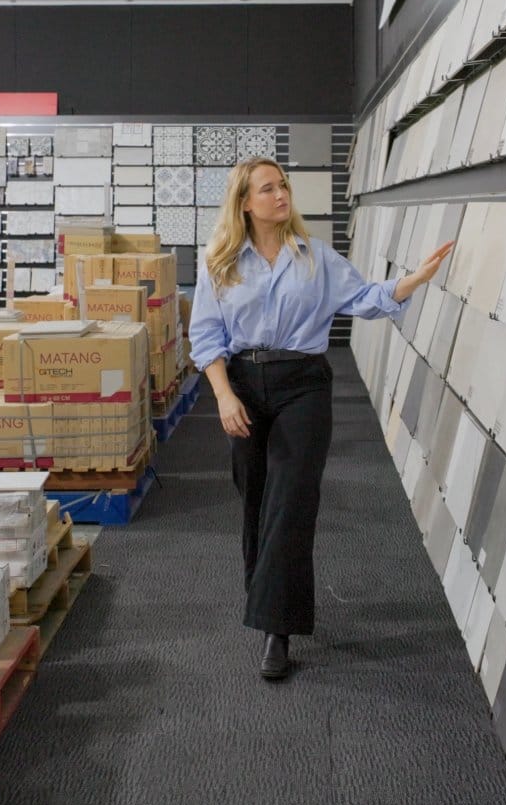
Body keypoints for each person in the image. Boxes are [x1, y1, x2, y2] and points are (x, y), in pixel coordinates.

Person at [188, 156, 454, 681]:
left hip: (303, 387)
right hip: (243, 386)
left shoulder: (316, 258)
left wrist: (413, 281)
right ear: (245, 203)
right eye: (268, 188)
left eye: (283, 185)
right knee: (256, 497)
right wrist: (223, 396)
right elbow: (206, 336)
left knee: (291, 500)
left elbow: (368, 299)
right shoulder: (220, 261)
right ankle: (266, 597)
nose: (281, 195)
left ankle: (277, 630)